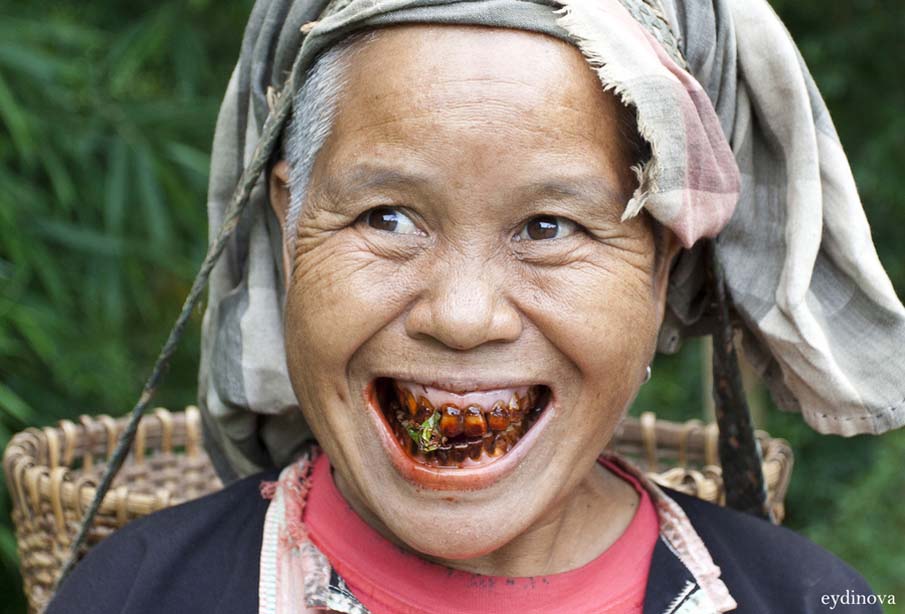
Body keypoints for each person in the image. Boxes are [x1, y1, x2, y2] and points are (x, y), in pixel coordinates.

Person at [48, 0, 904, 612]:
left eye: (548, 225)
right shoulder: (137, 594)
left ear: (660, 267)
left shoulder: (804, 599)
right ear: (288, 218)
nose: (461, 317)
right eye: (386, 218)